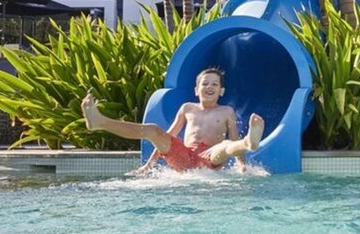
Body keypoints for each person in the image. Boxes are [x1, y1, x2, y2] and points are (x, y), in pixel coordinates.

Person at [81, 67, 264, 173]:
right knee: (153, 130)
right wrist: (149, 165)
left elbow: (232, 138)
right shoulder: (187, 108)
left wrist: (241, 163)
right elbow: (169, 137)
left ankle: (249, 142)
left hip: (210, 157)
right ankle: (100, 122)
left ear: (221, 91)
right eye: (205, 84)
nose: (209, 87)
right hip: (184, 157)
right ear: (196, 90)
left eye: (215, 84)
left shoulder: (226, 111)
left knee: (225, 145)